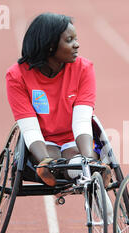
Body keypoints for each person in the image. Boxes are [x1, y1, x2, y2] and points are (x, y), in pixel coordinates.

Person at [6, 12, 104, 187]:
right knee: (54, 163)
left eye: (76, 39)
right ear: (50, 46)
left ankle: (96, 189)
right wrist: (45, 162)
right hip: (43, 139)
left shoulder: (84, 68)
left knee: (77, 163)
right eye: (69, 40)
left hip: (74, 137)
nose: (77, 45)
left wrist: (88, 159)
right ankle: (51, 167)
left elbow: (82, 120)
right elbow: (29, 128)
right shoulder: (16, 76)